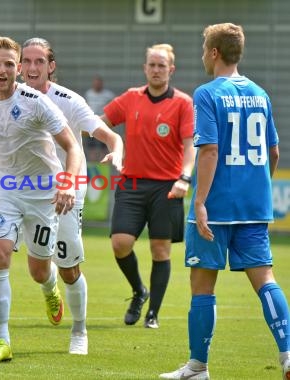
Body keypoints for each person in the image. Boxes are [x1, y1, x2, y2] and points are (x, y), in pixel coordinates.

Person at [0, 37, 123, 356]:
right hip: (3, 192)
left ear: (49, 66)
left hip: (52, 192)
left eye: (36, 62)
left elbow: (79, 144)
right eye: (26, 62)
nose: (30, 68)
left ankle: (75, 325)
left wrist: (69, 181)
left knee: (53, 268)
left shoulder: (54, 101)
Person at [160, 23, 290, 380]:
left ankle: (198, 368)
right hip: (253, 205)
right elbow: (273, 152)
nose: (203, 53)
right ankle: (288, 357)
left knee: (203, 285)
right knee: (265, 278)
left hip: (216, 207)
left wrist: (200, 201)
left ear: (215, 53)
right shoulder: (260, 94)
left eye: (205, 47)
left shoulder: (206, 94)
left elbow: (211, 150)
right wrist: (257, 186)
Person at [100, 43, 195, 329]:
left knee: (160, 250)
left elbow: (191, 146)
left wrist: (185, 177)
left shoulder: (183, 103)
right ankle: (140, 290)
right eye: (151, 65)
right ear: (145, 68)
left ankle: (152, 313)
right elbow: (99, 124)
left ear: (171, 70)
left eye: (161, 65)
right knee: (120, 243)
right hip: (132, 183)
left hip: (167, 186)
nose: (156, 70)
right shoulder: (130, 98)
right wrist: (68, 125)